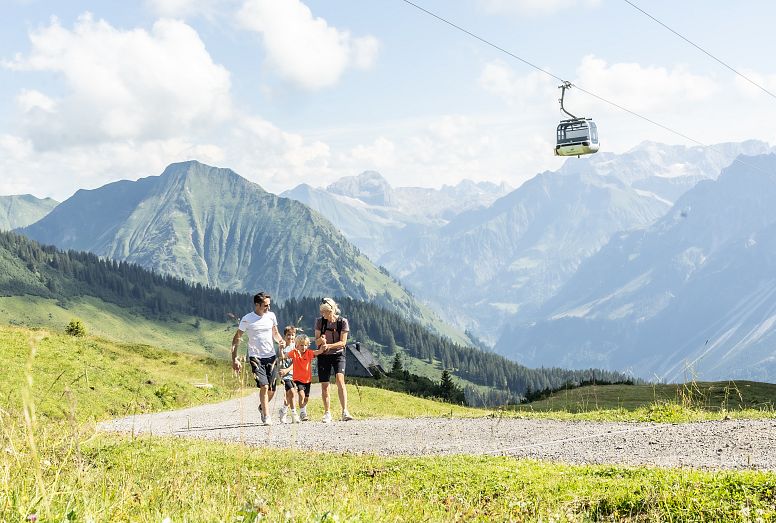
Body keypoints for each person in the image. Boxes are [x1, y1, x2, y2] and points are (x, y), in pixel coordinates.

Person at [231, 292, 285, 425]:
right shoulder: (247, 319)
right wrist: (234, 358)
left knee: (272, 390)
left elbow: (275, 333)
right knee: (264, 386)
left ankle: (262, 407)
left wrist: (281, 341)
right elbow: (236, 339)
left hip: (271, 356)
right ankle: (267, 416)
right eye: (265, 305)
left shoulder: (271, 316)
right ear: (257, 305)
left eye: (269, 305)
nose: (268, 308)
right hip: (256, 357)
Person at [314, 297, 353, 422]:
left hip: (338, 354)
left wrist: (329, 345)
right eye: (322, 311)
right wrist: (322, 340)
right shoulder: (320, 322)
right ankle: (327, 413)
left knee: (340, 380)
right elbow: (316, 341)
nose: (323, 314)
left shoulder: (342, 322)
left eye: (325, 312)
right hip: (323, 355)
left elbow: (343, 342)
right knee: (325, 385)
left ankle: (345, 411)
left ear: (332, 310)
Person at [286, 333, 326, 421]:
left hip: (307, 379)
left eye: (305, 345)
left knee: (306, 398)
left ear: (307, 345)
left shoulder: (309, 353)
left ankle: (303, 409)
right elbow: (286, 355)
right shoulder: (294, 353)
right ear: (297, 345)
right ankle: (302, 412)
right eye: (301, 345)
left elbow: (318, 352)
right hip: (298, 379)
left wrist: (323, 345)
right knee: (301, 394)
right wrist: (282, 352)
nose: (303, 347)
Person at [278, 326, 299, 424]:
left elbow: (296, 362)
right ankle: (294, 414)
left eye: (292, 335)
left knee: (288, 395)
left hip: (293, 372)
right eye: (288, 335)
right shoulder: (282, 345)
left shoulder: (295, 347)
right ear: (285, 336)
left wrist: (288, 370)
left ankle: (283, 410)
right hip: (285, 375)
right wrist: (281, 349)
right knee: (292, 392)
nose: (290, 337)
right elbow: (280, 359)